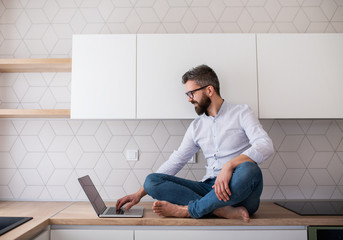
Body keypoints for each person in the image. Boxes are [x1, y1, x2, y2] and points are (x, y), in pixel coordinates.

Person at [116, 65, 274, 222]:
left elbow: (265, 145)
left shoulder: (242, 113)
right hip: (208, 189)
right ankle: (220, 210)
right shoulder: (196, 127)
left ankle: (189, 210)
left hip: (238, 190)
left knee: (250, 169)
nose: (189, 99)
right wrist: (139, 194)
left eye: (191, 93)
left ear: (209, 90)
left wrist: (230, 166)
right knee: (152, 181)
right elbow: (177, 160)